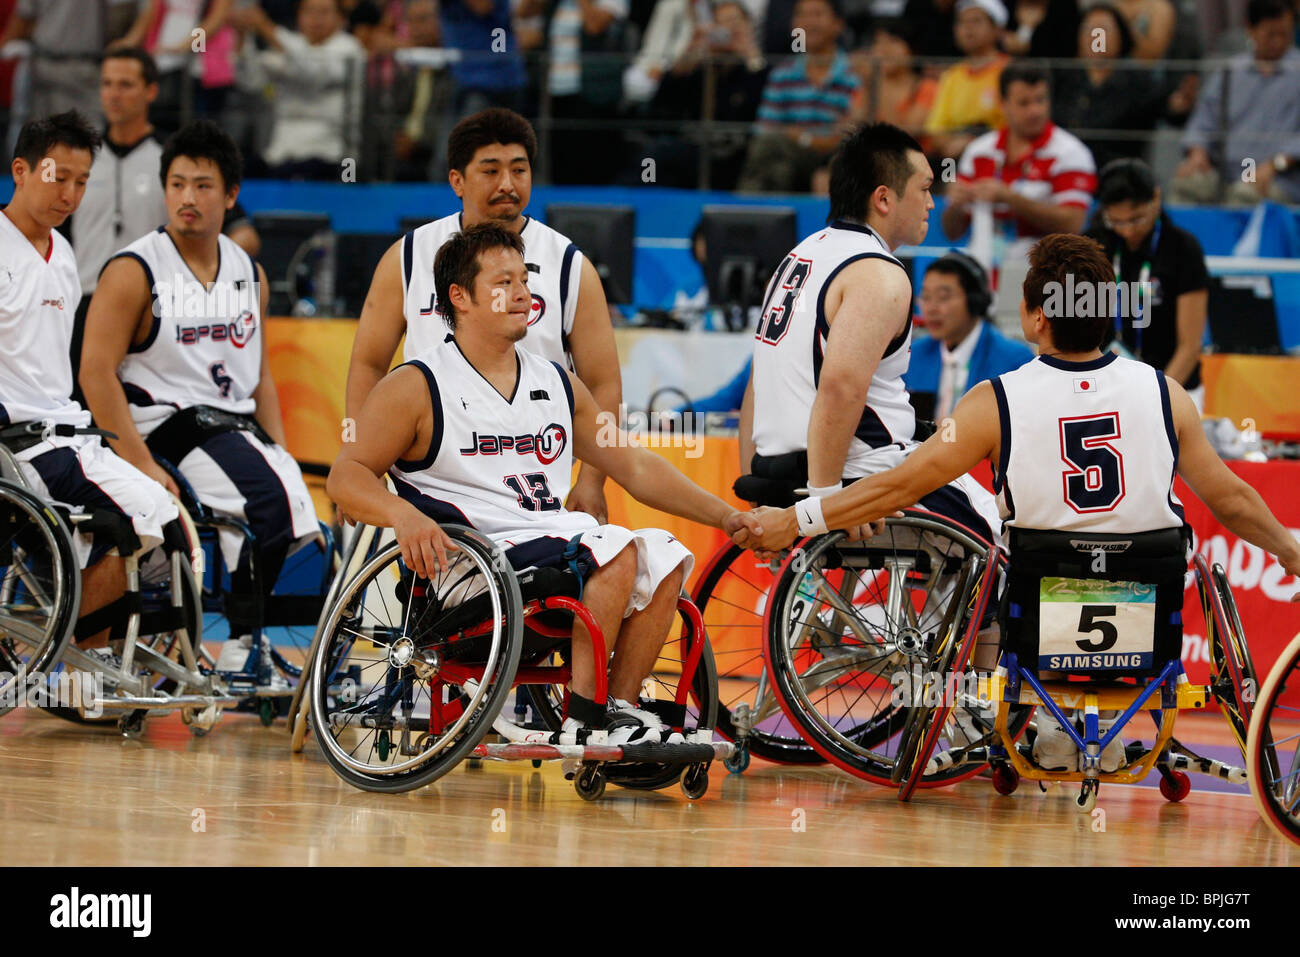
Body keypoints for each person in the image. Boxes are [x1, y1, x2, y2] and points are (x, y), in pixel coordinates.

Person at [734, 232, 1300, 769]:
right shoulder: (1166, 394)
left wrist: (800, 516)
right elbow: (1232, 497)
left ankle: (1001, 722)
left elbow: (896, 486)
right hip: (1147, 621)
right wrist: (1288, 550)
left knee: (986, 555)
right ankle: (1076, 724)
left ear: (1035, 317)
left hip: (1039, 620)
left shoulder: (994, 402)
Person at [328, 222, 758, 743]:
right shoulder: (415, 385)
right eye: (503, 282)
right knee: (613, 549)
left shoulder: (556, 382)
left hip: (544, 550)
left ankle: (616, 712)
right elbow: (346, 475)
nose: (522, 293)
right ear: (458, 297)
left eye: (526, 281)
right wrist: (402, 515)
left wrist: (728, 516)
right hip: (470, 569)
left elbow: (637, 467)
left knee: (664, 554)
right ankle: (586, 718)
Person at [741, 121, 1004, 683]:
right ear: (884, 198)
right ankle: (973, 712)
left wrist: (757, 475)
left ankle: (940, 673)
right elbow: (841, 388)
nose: (934, 201)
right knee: (1003, 541)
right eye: (925, 188)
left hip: (779, 464)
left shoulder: (798, 258)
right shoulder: (880, 276)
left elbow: (756, 383)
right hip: (857, 470)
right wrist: (824, 502)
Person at [78, 120, 318, 686]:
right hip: (161, 425)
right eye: (178, 184)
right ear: (165, 190)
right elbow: (94, 372)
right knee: (268, 502)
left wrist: (280, 447)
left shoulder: (249, 273)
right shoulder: (133, 271)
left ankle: (245, 643)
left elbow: (260, 376)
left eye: (203, 185)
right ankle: (236, 639)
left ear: (231, 196)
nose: (188, 197)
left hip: (232, 426)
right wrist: (137, 458)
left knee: (303, 517)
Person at [346, 108, 621, 523]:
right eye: (490, 171)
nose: (507, 185)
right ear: (457, 179)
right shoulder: (408, 256)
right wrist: (359, 459)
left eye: (519, 170)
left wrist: (592, 480)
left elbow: (603, 381)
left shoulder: (568, 264)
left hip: (531, 475)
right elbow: (368, 362)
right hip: (431, 478)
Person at [0, 111, 177, 653]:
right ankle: (81, 660)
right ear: (22, 171)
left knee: (166, 517)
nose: (70, 194)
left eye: (82, 182)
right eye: (59, 177)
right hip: (19, 442)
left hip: (69, 432)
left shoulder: (65, 254)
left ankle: (92, 660)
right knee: (138, 515)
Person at [1085, 158, 1209, 408]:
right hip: (1102, 390)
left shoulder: (1182, 249)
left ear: (1156, 199)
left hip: (1172, 385)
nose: (1128, 231)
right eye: (1117, 221)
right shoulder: (1090, 246)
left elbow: (1189, 346)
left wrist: (1154, 399)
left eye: (1137, 219)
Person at [941, 62, 1096, 242]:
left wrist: (1009, 198)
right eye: (1024, 103)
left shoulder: (1071, 152)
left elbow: (1073, 224)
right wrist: (955, 206)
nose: (1035, 111)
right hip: (985, 265)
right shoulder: (978, 151)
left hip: (1044, 266)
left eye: (1040, 100)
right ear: (1003, 105)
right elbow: (951, 232)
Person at [1170, 0, 1300, 206]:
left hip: (1278, 177)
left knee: (1242, 197)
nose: (1277, 42)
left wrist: (1276, 164)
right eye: (1270, 35)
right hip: (1224, 172)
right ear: (1251, 29)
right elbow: (1203, 120)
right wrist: (1198, 153)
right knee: (1185, 186)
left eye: (1284, 34)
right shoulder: (1229, 72)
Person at [737, 0, 859, 193]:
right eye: (802, 15)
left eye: (817, 14)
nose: (809, 23)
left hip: (838, 157)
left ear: (838, 24)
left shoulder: (857, 72)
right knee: (778, 169)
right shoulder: (783, 73)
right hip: (791, 156)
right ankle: (752, 213)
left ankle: (742, 209)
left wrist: (802, 137)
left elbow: (851, 133)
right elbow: (765, 129)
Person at [904, 251, 1033, 421]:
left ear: (975, 300)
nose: (931, 308)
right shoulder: (913, 356)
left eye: (943, 297)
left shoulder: (1014, 360)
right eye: (926, 297)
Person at [1050, 4, 1168, 170]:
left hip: (1117, 174)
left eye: (1104, 30)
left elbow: (1168, 109)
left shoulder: (1139, 84)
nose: (1097, 37)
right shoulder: (1061, 80)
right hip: (1064, 171)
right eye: (1090, 29)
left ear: (1121, 35)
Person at [923, 0, 1010, 164]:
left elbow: (1015, 126)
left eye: (976, 21)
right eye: (962, 22)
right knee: (943, 175)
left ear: (997, 29)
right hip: (953, 158)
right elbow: (935, 129)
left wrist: (971, 142)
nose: (968, 28)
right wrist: (950, 145)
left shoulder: (1010, 71)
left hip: (998, 158)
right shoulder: (951, 76)